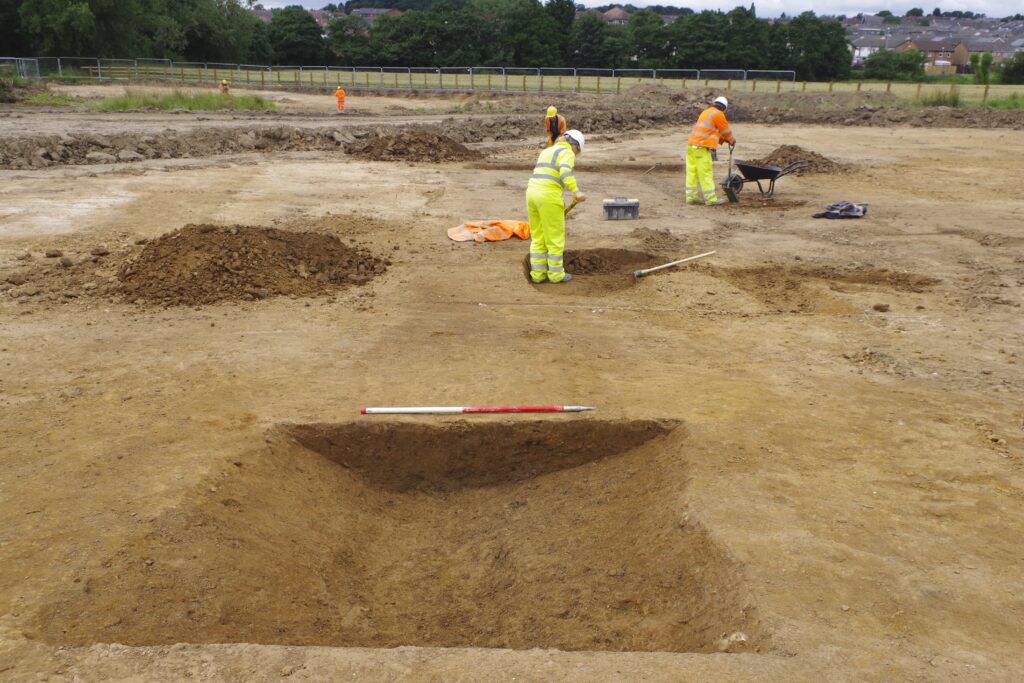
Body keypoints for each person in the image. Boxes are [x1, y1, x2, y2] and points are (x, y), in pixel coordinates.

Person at [526, 130, 586, 284]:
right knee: (555, 238)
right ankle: (556, 275)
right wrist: (576, 191)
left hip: (531, 194)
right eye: (577, 151)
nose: (575, 154)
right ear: (575, 145)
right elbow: (565, 172)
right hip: (548, 197)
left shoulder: (547, 150)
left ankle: (538, 275)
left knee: (538, 236)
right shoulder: (567, 152)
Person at [685, 96, 736, 206]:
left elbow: (711, 130)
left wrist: (724, 140)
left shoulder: (706, 112)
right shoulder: (718, 114)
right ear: (724, 108)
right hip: (701, 147)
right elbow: (725, 130)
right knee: (706, 173)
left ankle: (691, 197)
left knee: (692, 172)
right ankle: (711, 199)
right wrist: (731, 140)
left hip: (691, 145)